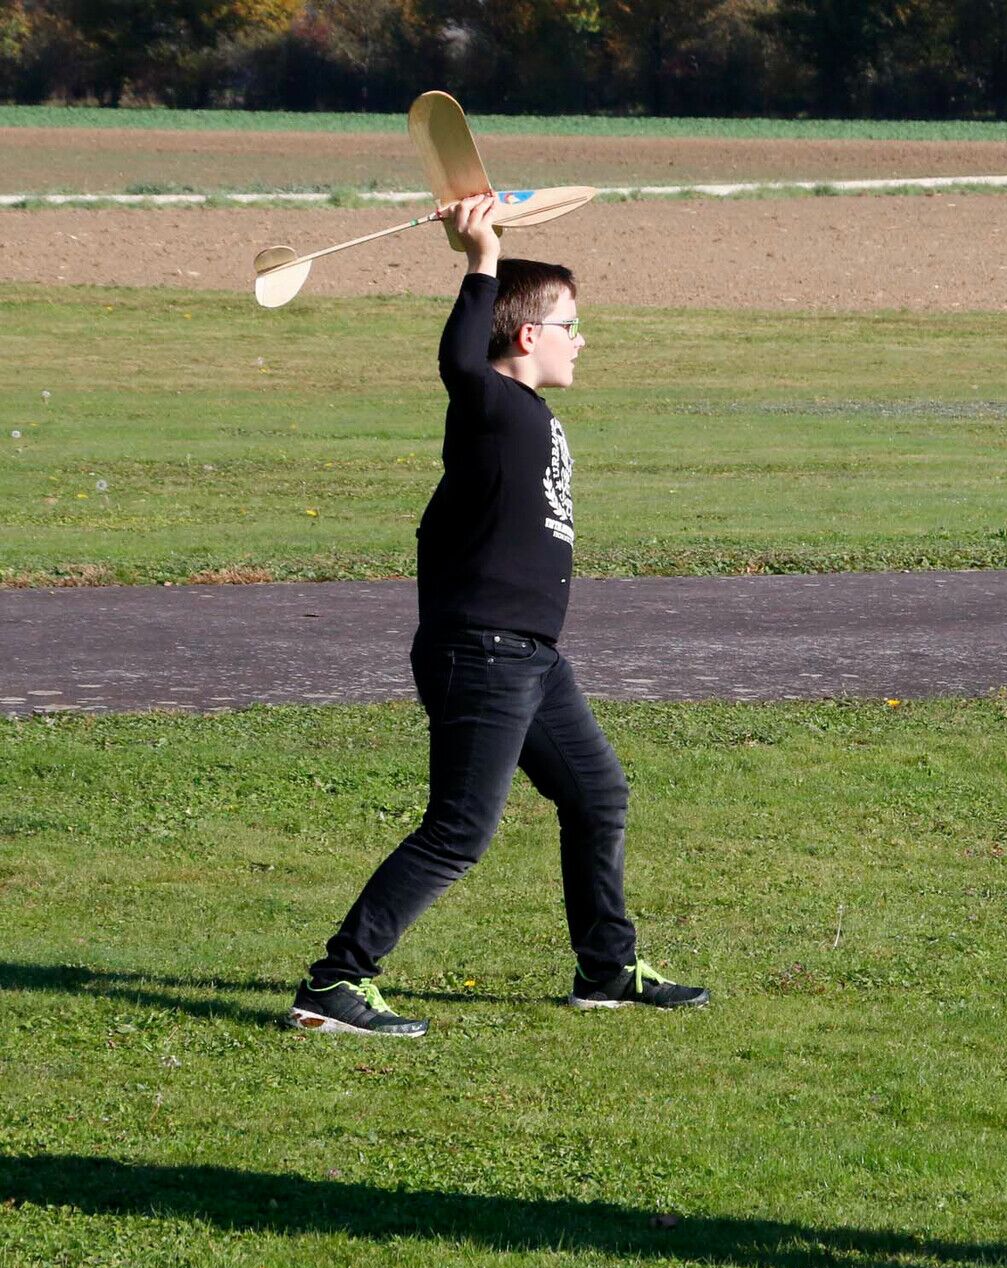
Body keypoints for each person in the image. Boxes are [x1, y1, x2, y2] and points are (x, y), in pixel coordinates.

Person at [287, 193, 707, 1038]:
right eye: (570, 325)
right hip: (481, 652)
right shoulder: (486, 404)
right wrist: (481, 259)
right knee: (459, 830)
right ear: (525, 335)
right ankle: (336, 980)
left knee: (597, 792)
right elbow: (458, 358)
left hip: (531, 656)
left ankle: (606, 967)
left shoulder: (530, 415)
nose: (581, 339)